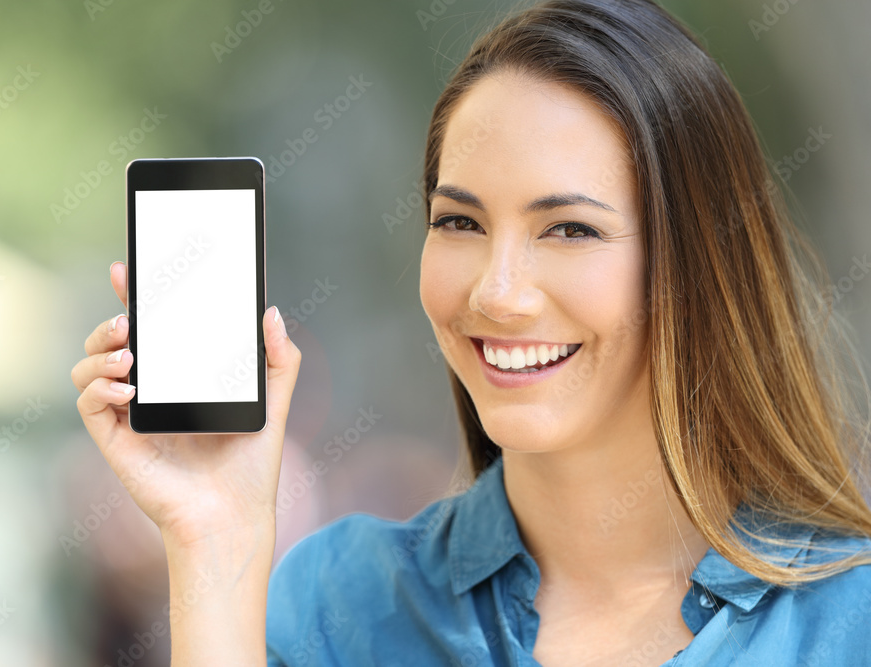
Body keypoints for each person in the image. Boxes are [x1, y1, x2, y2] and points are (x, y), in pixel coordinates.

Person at [71, 0, 871, 664]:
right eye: (459, 221)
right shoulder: (340, 605)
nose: (497, 292)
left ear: (698, 261)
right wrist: (214, 532)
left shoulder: (848, 621)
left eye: (568, 230)